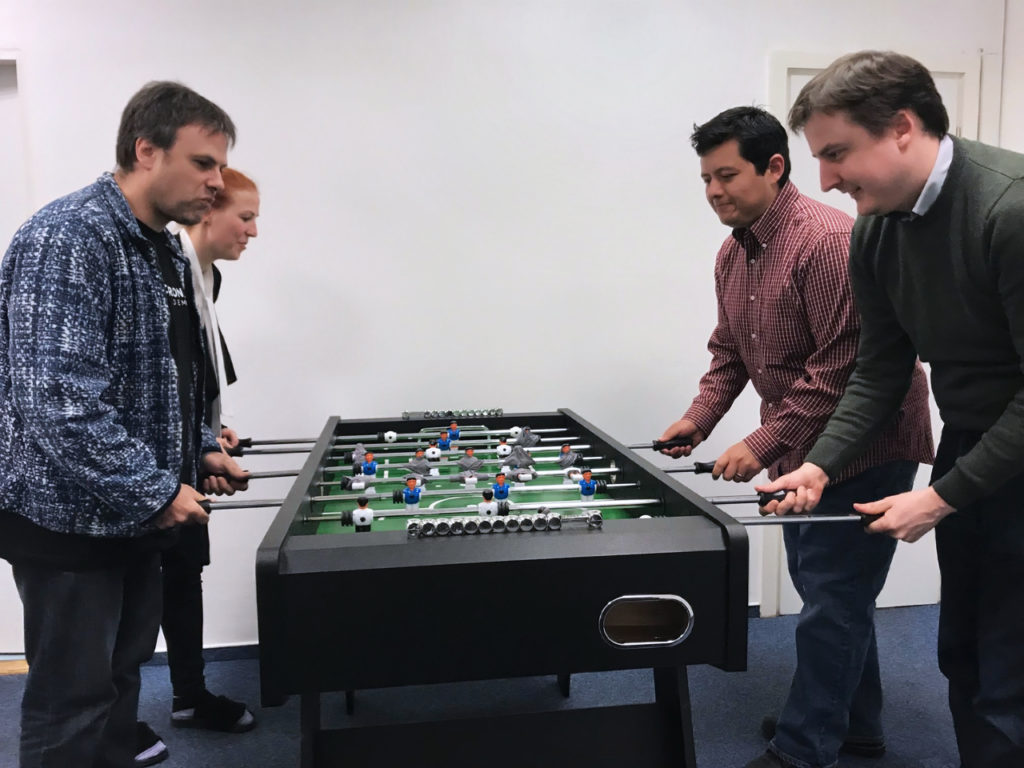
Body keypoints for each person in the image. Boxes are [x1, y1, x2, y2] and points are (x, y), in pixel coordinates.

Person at [762, 50, 1024, 768]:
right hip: (973, 442)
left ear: (902, 127)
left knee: (1009, 670)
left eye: (838, 153)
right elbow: (879, 369)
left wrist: (939, 498)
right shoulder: (876, 229)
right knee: (962, 652)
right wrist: (819, 466)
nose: (825, 180)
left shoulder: (1010, 208)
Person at [657, 105, 933, 768]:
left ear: (774, 167)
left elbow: (838, 368)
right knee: (831, 592)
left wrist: (760, 442)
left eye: (727, 174)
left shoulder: (829, 242)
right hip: (803, 447)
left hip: (871, 443)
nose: (714, 190)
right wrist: (700, 418)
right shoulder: (733, 254)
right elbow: (729, 352)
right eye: (705, 179)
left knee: (832, 598)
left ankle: (805, 747)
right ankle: (853, 722)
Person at [0, 81, 248, 768]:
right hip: (67, 524)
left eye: (221, 166)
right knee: (71, 699)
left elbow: (170, 380)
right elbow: (60, 401)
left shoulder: (165, 251)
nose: (218, 182)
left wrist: (199, 450)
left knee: (119, 685)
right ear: (146, 150)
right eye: (204, 163)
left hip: (136, 521)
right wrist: (157, 491)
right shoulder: (66, 238)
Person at [135, 170, 261, 764]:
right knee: (134, 592)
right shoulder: (164, 268)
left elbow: (193, 373)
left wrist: (211, 436)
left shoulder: (207, 278)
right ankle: (115, 721)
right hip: (143, 469)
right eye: (245, 217)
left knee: (184, 576)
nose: (253, 231)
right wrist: (195, 448)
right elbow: (150, 382)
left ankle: (189, 696)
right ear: (209, 212)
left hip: (183, 454)